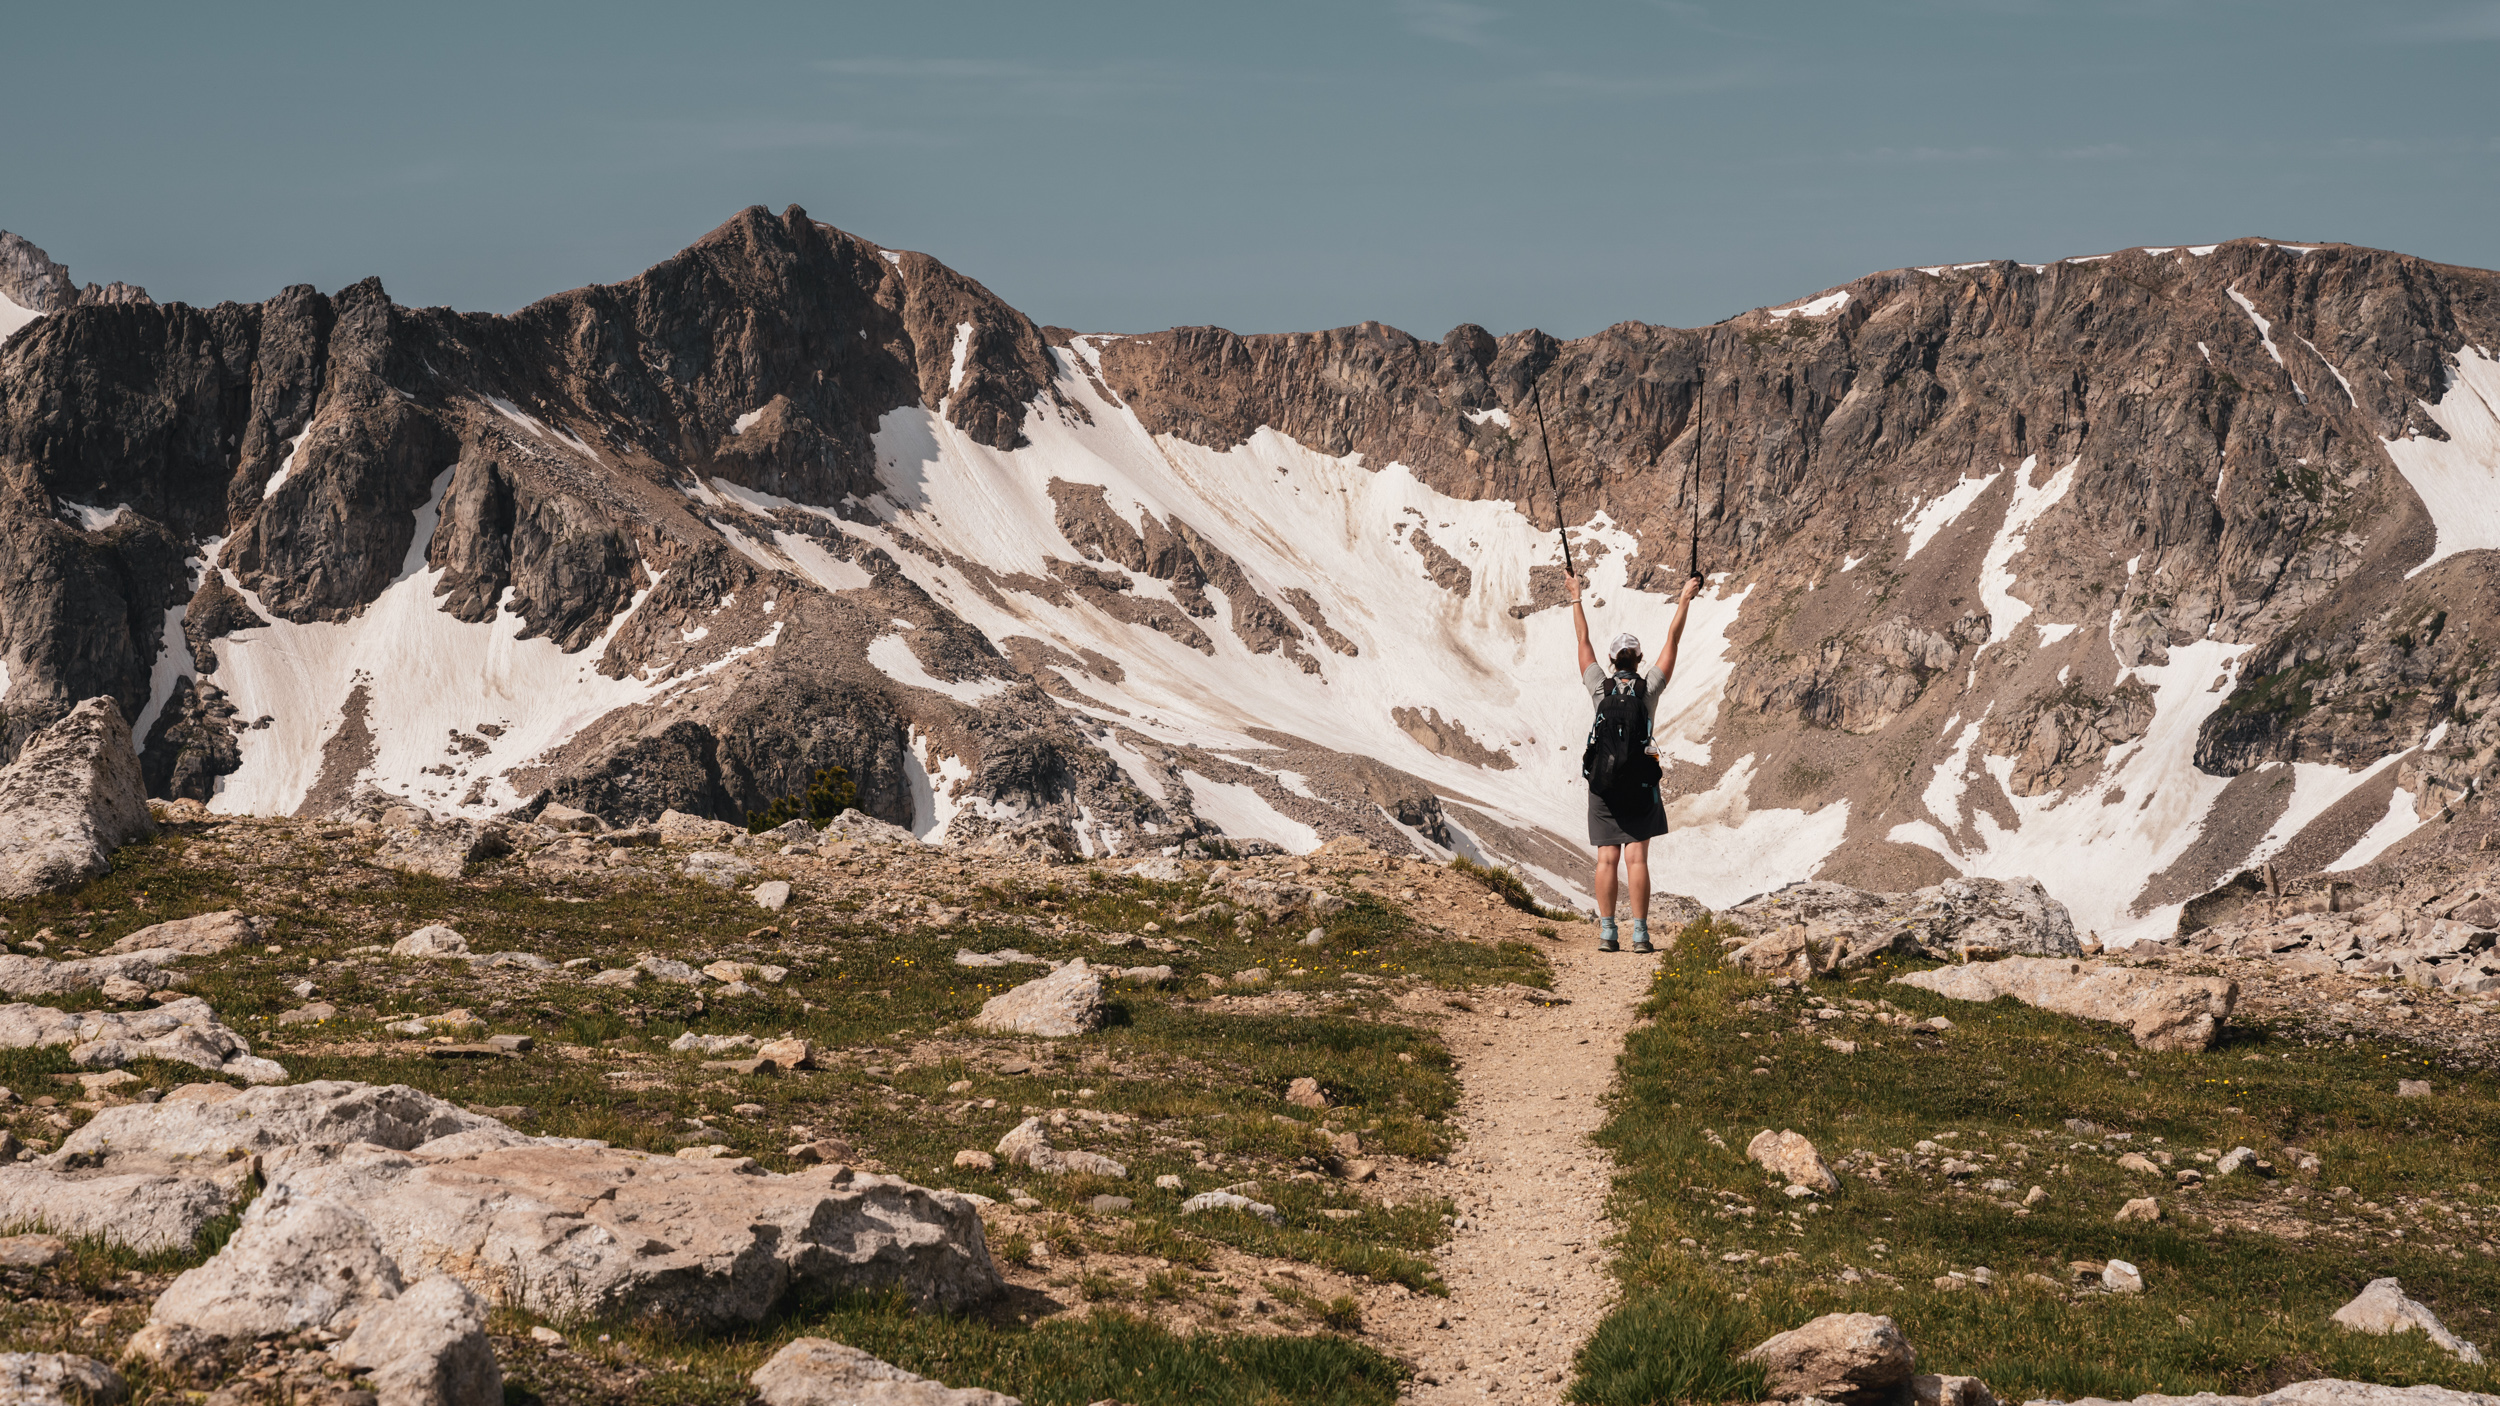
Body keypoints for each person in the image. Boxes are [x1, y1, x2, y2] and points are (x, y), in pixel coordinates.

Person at [1567, 570, 1703, 953]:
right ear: (1639, 658)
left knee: (1607, 859)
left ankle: (1608, 932)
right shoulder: (1649, 689)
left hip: (1604, 784)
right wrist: (1683, 600)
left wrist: (1576, 596)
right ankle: (1640, 934)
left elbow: (1582, 640)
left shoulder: (1599, 686)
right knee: (1637, 859)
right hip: (1640, 784)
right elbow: (1672, 640)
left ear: (1612, 660)